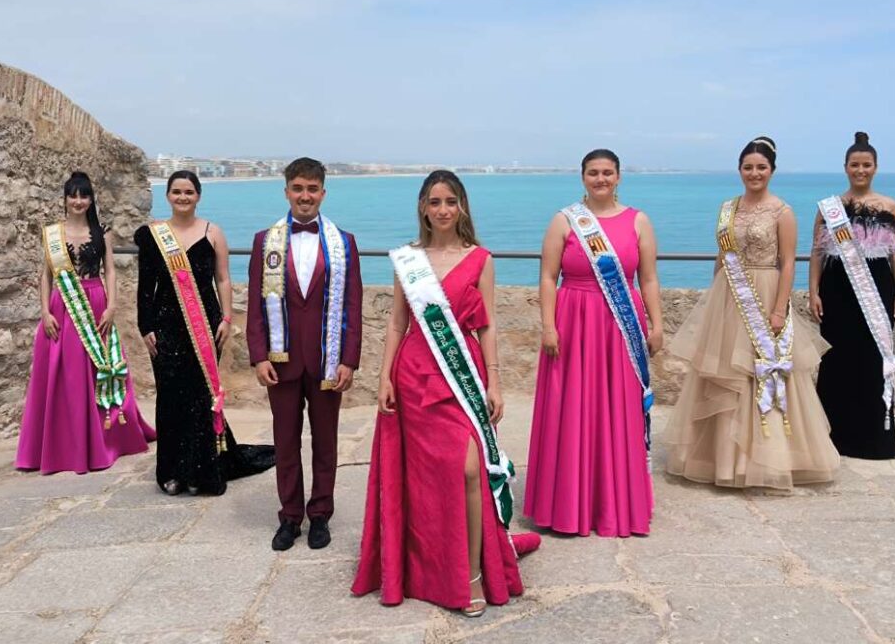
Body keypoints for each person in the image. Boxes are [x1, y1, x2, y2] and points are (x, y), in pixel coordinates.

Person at [351, 170, 539, 618]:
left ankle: (470, 574)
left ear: (462, 206)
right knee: (424, 478)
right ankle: (427, 569)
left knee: (470, 469)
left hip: (462, 375)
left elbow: (487, 325)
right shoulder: (408, 260)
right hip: (414, 374)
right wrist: (384, 377)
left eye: (450, 201)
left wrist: (495, 380)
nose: (442, 210)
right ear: (423, 207)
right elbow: (397, 322)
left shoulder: (481, 259)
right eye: (434, 202)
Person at [664, 138, 839, 490]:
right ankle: (722, 459)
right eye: (748, 167)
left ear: (772, 170)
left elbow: (787, 263)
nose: (754, 173)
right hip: (729, 295)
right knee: (726, 373)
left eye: (761, 167)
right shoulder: (727, 209)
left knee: (763, 370)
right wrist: (714, 297)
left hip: (766, 292)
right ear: (739, 170)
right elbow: (721, 256)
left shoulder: (782, 212)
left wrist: (779, 309)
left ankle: (769, 459)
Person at [524, 149, 663, 537]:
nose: (601, 179)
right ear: (582, 177)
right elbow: (548, 277)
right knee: (571, 407)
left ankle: (616, 503)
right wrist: (548, 326)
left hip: (621, 325)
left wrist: (657, 323)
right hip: (573, 321)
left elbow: (649, 278)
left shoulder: (638, 221)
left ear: (619, 177)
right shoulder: (564, 220)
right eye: (593, 173)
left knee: (619, 408)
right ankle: (568, 505)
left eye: (607, 172)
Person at [246, 157, 363, 551]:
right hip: (281, 361)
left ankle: (320, 514)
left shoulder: (344, 243)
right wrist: (259, 355)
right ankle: (290, 516)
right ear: (286, 192)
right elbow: (255, 303)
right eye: (298, 188)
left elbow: (353, 305)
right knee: (285, 443)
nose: (305, 196)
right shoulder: (265, 241)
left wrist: (348, 360)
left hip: (327, 359)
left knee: (326, 443)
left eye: (312, 189)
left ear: (323, 193)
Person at [135, 170, 274, 496]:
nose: (182, 197)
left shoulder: (213, 232)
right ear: (168, 196)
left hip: (205, 325)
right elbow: (145, 286)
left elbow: (223, 278)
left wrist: (226, 318)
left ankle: (200, 472)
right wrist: (145, 326)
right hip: (165, 327)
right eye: (177, 192)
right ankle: (171, 471)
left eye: (189, 192)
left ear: (198, 196)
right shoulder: (153, 235)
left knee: (201, 397)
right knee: (170, 397)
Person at [16, 172, 155, 474]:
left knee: (97, 369)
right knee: (63, 373)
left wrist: (112, 306)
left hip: (95, 302)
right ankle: (62, 444)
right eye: (73, 196)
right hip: (62, 306)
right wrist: (45, 312)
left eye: (84, 196)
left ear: (91, 200)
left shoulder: (102, 232)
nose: (78, 201)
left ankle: (102, 439)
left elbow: (111, 271)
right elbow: (46, 275)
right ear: (65, 199)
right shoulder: (52, 234)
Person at [810, 132, 895, 459]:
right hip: (837, 289)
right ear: (845, 167)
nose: (860, 170)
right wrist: (813, 292)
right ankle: (834, 437)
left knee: (873, 361)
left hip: (878, 287)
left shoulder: (891, 206)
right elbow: (816, 254)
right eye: (855, 165)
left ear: (875, 167)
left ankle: (872, 439)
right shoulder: (829, 208)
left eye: (866, 165)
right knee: (836, 360)